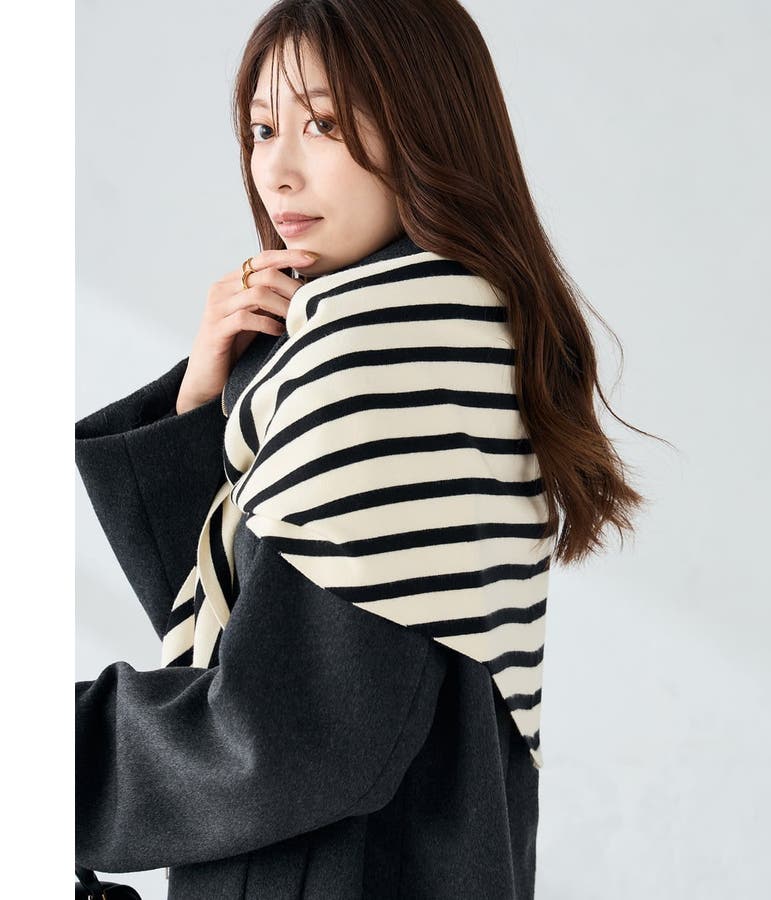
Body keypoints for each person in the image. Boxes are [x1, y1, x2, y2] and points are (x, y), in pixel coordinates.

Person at [75, 1, 651, 897]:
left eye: (324, 124)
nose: (278, 169)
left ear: (426, 127)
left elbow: (281, 736)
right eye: (262, 129)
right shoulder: (454, 333)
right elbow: (250, 640)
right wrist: (202, 400)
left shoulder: (385, 354)